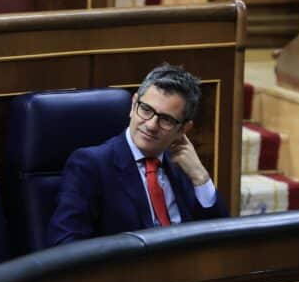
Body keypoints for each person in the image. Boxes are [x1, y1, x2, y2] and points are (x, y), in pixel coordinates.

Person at [48, 64, 229, 246]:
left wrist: (200, 176)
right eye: (146, 110)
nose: (151, 125)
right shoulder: (91, 165)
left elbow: (221, 240)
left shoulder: (182, 166)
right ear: (133, 104)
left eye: (166, 119)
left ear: (183, 129)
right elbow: (66, 244)